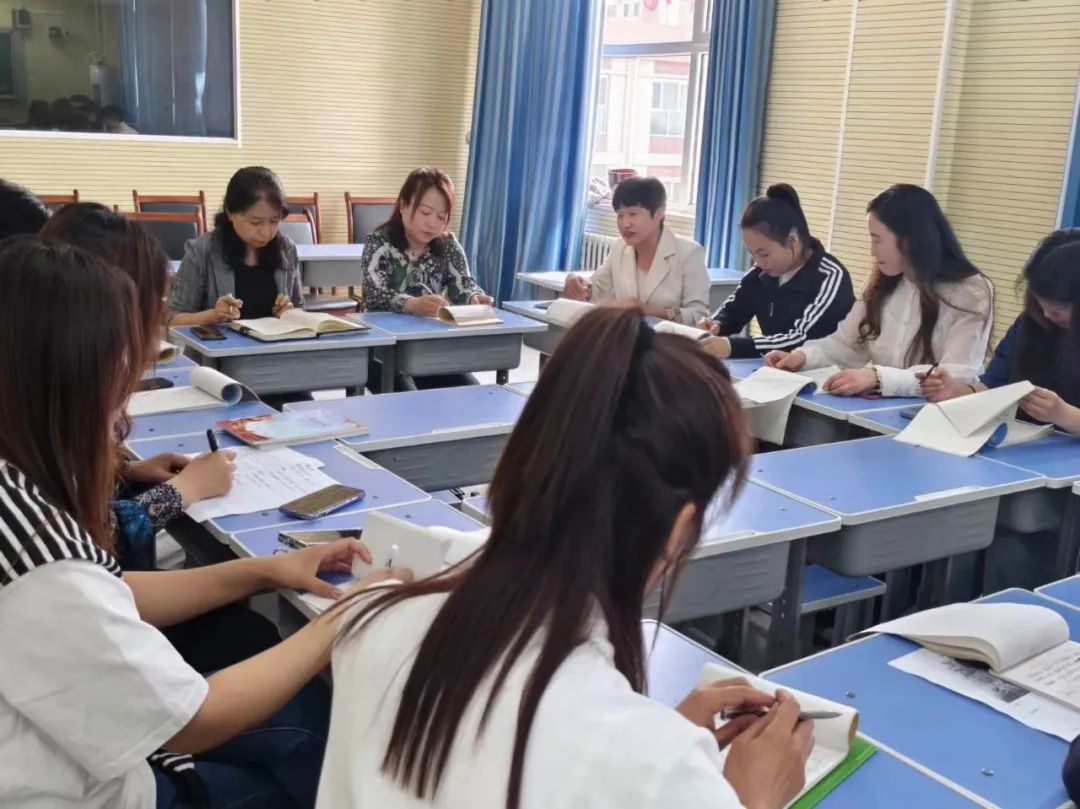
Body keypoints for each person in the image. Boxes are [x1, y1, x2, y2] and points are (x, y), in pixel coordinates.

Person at [317, 307, 814, 809]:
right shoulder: (655, 765)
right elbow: (600, 760)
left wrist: (662, 744)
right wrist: (752, 799)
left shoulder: (375, 618)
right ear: (680, 528)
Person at [0, 238, 411, 809]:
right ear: (68, 390)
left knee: (281, 681)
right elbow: (194, 721)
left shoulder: (19, 497)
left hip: (70, 741)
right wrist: (348, 616)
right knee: (320, 729)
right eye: (119, 388)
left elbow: (108, 591)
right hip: (89, 789)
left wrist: (265, 570)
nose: (122, 422)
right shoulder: (35, 554)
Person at [41, 203, 234, 568]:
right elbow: (90, 543)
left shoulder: (46, 370)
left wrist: (125, 471)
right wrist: (186, 489)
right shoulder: (65, 394)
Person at [766, 184, 993, 397]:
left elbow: (956, 373)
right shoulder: (883, 281)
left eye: (877, 240)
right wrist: (802, 357)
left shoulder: (972, 292)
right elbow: (846, 344)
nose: (873, 252)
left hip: (941, 415)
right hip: (881, 412)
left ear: (910, 239)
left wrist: (878, 377)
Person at [922, 229, 1080, 433]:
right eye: (1040, 301)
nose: (1047, 314)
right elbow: (993, 386)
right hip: (1020, 441)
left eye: (1058, 308)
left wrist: (1065, 415)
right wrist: (956, 392)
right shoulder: (1030, 323)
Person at [698, 184, 854, 359]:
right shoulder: (761, 273)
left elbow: (799, 338)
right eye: (752, 254)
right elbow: (735, 309)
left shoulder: (829, 277)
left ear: (792, 241)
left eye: (764, 254)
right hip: (775, 368)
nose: (758, 262)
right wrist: (717, 324)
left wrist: (732, 347)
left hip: (824, 371)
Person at [169, 166, 304, 327]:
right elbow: (173, 319)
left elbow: (300, 308)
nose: (266, 233)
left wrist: (289, 312)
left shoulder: (286, 250)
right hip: (222, 343)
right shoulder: (201, 251)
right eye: (255, 222)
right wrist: (213, 315)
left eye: (274, 221)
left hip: (275, 342)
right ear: (230, 212)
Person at [564, 176, 710, 325]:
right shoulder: (620, 247)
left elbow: (698, 315)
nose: (625, 224)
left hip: (668, 338)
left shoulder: (689, 253)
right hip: (627, 336)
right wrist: (578, 283)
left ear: (658, 214)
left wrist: (647, 310)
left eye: (633, 214)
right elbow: (598, 287)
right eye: (620, 215)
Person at [361, 166, 492, 315]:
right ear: (403, 206)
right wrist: (412, 305)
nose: (432, 224)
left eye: (441, 217)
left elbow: (462, 284)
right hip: (382, 328)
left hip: (429, 327)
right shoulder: (379, 242)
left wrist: (474, 297)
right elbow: (374, 295)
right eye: (425, 212)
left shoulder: (448, 245)